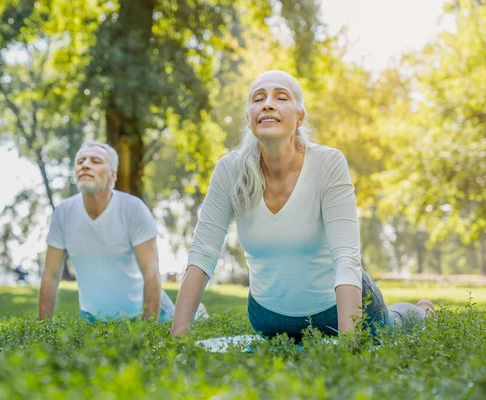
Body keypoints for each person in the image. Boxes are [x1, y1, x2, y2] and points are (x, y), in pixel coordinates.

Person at [170, 70, 435, 341]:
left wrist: (350, 345)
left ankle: (422, 311)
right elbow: (203, 254)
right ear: (249, 118)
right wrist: (177, 341)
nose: (267, 104)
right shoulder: (229, 169)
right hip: (268, 318)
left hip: (336, 311)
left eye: (281, 97)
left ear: (300, 117)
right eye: (258, 99)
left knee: (393, 324)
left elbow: (346, 258)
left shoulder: (328, 163)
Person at [39, 141, 194, 322]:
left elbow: (151, 272)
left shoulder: (133, 209)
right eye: (80, 161)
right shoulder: (63, 213)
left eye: (96, 161)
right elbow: (50, 274)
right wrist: (44, 327)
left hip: (150, 313)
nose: (85, 165)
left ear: (112, 176)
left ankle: (196, 312)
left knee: (189, 324)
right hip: (92, 318)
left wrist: (147, 330)